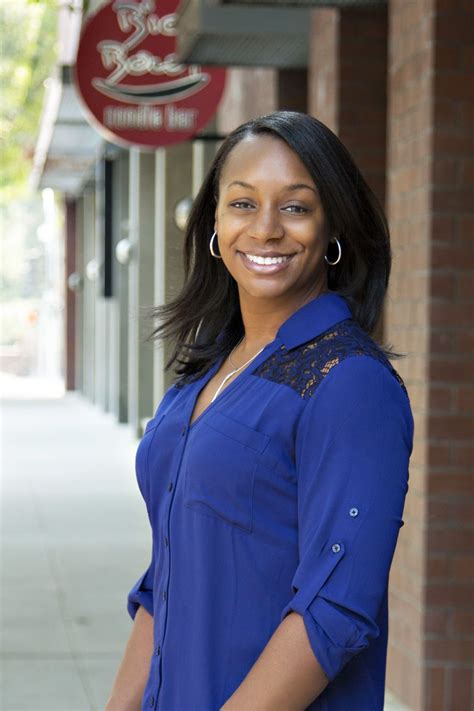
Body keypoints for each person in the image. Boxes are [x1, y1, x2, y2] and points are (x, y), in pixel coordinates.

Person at [106, 111, 414, 711]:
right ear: (215, 224)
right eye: (243, 204)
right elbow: (165, 574)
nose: (267, 229)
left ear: (332, 229)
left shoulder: (350, 384)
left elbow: (334, 611)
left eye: (296, 207)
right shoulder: (209, 368)